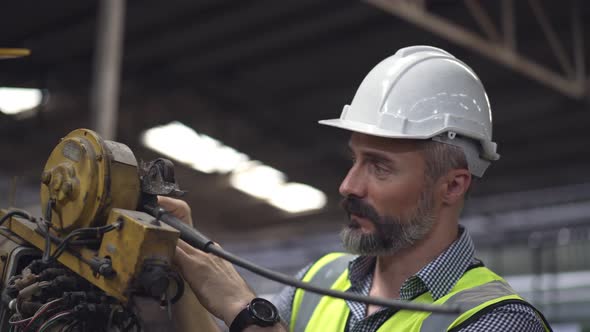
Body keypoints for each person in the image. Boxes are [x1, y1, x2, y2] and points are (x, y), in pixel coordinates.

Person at [161, 46, 551, 332]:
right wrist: (179, 267)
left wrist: (246, 310)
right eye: (355, 160)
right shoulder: (319, 282)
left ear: (451, 185)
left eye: (379, 166)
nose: (348, 185)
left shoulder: (497, 320)